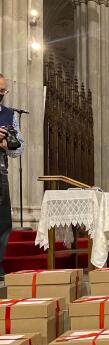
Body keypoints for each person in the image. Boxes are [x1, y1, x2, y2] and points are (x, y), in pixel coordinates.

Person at [0, 74, 24, 280]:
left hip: (1, 173)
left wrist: (8, 145)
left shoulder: (9, 115)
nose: (1, 94)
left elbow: (19, 149)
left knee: (4, 222)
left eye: (3, 91)